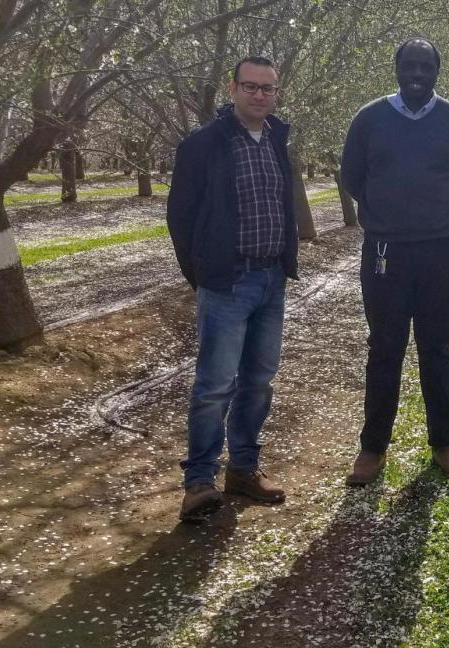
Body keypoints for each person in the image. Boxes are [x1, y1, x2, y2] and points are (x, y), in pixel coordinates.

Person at [340, 37, 449, 486]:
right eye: (409, 66)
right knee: (384, 346)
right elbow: (352, 176)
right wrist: (388, 213)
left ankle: (444, 443)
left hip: (441, 247)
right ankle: (373, 447)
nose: (417, 74)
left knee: (437, 346)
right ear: (396, 69)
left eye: (426, 66)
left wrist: (429, 211)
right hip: (385, 250)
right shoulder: (369, 119)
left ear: (437, 71)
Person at [167, 56, 297, 522]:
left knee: (258, 381)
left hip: (270, 278)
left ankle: (244, 469)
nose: (259, 95)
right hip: (228, 281)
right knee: (214, 386)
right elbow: (180, 215)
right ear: (233, 88)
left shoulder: (277, 139)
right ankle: (199, 481)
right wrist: (200, 274)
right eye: (250, 86)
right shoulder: (204, 143)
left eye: (268, 88)